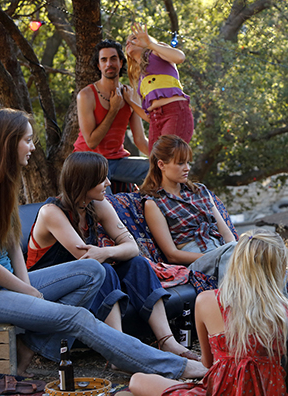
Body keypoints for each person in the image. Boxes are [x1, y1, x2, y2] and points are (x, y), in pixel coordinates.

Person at [0, 108, 206, 379]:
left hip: (11, 284)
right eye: (27, 140)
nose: (32, 147)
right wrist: (31, 294)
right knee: (77, 317)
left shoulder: (3, 188)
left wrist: (27, 286)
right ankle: (175, 367)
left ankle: (26, 350)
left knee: (94, 271)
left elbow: (12, 247)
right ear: (7, 143)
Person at [26, 151, 199, 361]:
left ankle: (167, 341)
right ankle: (118, 349)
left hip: (85, 282)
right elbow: (87, 259)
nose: (108, 183)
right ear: (84, 182)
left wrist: (106, 251)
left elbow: (132, 247)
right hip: (47, 288)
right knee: (103, 269)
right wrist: (104, 255)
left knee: (138, 264)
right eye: (102, 179)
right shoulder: (51, 212)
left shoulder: (96, 204)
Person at [127, 229, 288, 396]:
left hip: (220, 395)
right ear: (279, 268)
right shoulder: (285, 311)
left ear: (235, 261)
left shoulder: (206, 300)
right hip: (270, 395)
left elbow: (207, 363)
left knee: (138, 381)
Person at [140, 135, 236, 281]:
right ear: (161, 165)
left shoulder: (200, 191)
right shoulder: (154, 203)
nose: (187, 168)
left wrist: (236, 253)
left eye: (188, 162)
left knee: (260, 248)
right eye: (180, 163)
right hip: (196, 260)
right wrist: (215, 256)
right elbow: (172, 254)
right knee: (234, 256)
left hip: (223, 250)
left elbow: (226, 234)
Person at [76, 39, 150, 186]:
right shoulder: (86, 95)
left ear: (121, 62)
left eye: (113, 59)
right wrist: (113, 109)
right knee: (105, 198)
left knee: (159, 170)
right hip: (89, 161)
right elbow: (91, 142)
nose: (109, 64)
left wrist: (166, 160)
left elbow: (140, 140)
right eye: (104, 60)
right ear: (99, 65)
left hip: (118, 161)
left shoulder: (130, 94)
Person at [124, 23, 194, 152]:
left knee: (166, 156)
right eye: (127, 42)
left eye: (134, 38)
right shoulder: (141, 80)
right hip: (155, 120)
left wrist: (150, 44)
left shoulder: (156, 52)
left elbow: (180, 57)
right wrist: (130, 101)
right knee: (155, 161)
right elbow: (148, 116)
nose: (129, 42)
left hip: (174, 112)